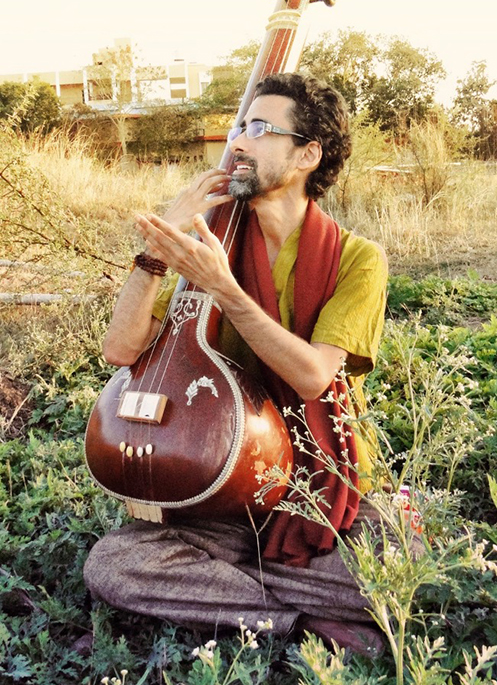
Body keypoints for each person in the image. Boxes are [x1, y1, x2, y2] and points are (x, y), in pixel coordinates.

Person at [84, 72, 395, 657]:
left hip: (311, 488)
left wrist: (225, 290)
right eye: (240, 128)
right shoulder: (216, 242)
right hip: (220, 492)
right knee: (113, 564)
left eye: (258, 129)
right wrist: (159, 247)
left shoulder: (357, 259)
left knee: (399, 565)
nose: (238, 143)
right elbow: (121, 351)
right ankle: (298, 620)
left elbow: (313, 376)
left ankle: (233, 595)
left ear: (307, 154)